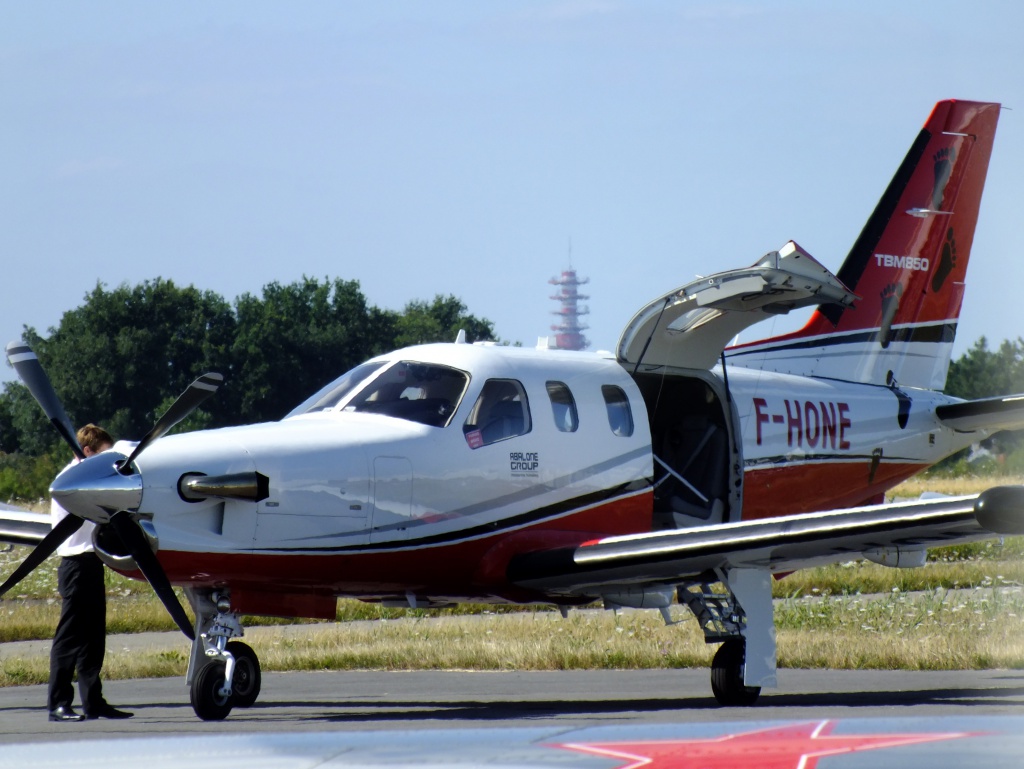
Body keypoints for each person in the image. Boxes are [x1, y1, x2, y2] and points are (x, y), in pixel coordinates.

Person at [47, 424, 133, 722]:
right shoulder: (69, 481)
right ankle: (58, 703)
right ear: (88, 452)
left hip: (92, 562)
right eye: (105, 454)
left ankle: (93, 701)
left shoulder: (89, 478)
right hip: (75, 563)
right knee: (69, 637)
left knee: (93, 638)